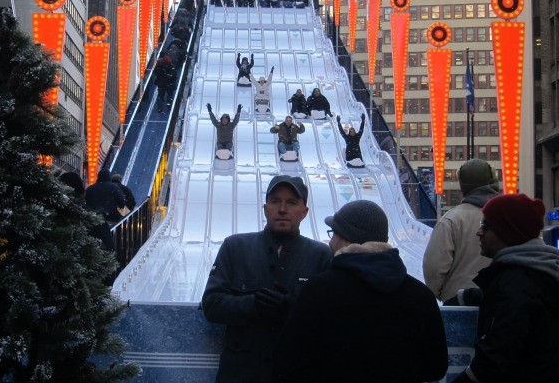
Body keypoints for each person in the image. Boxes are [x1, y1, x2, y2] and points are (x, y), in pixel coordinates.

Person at [273, 200, 449, 382]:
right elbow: (435, 368)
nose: (331, 242)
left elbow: (287, 363)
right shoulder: (420, 296)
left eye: (334, 234)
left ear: (346, 239)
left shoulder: (319, 292)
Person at [201, 175, 332, 382]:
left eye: (291, 202)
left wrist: (292, 311)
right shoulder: (235, 247)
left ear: (304, 212)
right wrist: (252, 304)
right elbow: (211, 305)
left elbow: (329, 322)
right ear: (265, 208)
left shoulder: (321, 255)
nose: (282, 209)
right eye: (275, 201)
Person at [452, 193, 559, 383]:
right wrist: (470, 296)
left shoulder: (516, 286)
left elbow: (495, 359)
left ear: (507, 232)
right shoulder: (533, 273)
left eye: (486, 226)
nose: (479, 232)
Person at [423, 159, 499, 303]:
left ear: (462, 186)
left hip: (459, 303)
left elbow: (433, 268)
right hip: (500, 302)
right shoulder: (508, 216)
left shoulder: (451, 220)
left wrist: (444, 294)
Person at [84, 169, 125, 252]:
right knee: (109, 246)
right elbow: (121, 203)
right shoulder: (113, 187)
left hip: (92, 221)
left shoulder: (90, 189)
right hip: (109, 219)